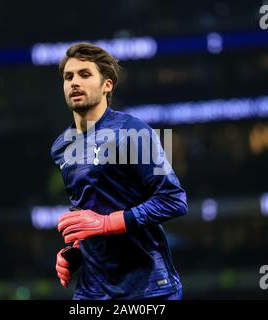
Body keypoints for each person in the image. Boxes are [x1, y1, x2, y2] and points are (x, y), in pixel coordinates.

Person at [51, 43, 188, 300]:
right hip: (92, 291)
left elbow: (174, 200)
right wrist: (75, 250)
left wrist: (106, 224)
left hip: (148, 289)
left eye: (85, 74)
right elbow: (86, 208)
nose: (74, 82)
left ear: (107, 85)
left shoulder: (133, 131)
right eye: (68, 77)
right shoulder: (61, 146)